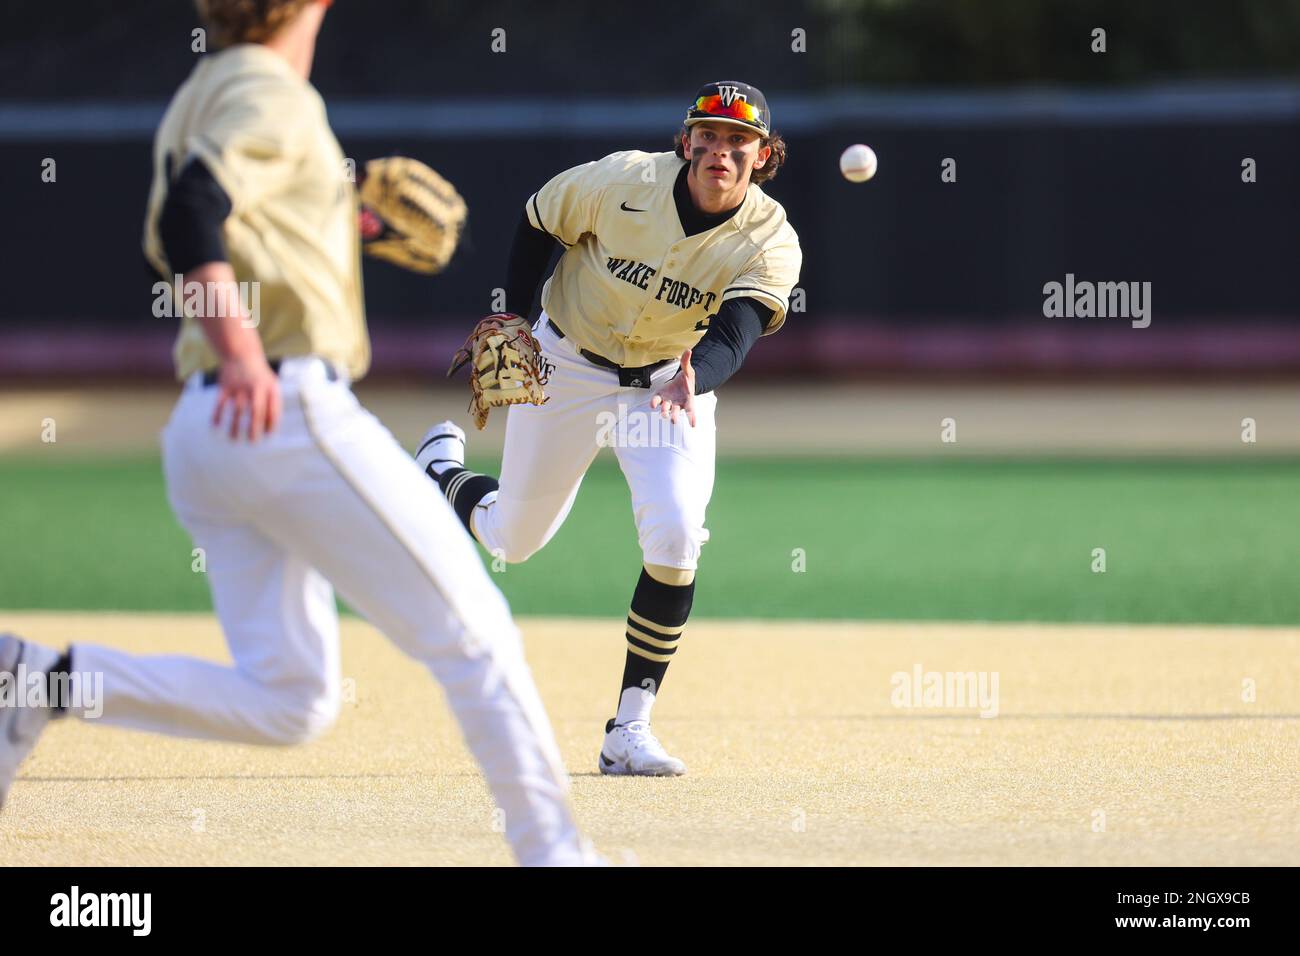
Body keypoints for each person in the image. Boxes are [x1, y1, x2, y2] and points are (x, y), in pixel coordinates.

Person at [0, 0, 592, 867]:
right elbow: (190, 219)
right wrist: (243, 351)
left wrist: (327, 221)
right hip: (282, 405)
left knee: (292, 699)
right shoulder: (273, 91)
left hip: (206, 433)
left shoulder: (200, 90)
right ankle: (556, 856)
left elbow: (173, 246)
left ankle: (39, 681)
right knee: (477, 637)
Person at [416, 81, 803, 776]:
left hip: (668, 383)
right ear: (685, 144)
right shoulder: (622, 180)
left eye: (738, 141)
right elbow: (539, 219)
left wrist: (697, 378)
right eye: (707, 136)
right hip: (566, 359)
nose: (720, 149)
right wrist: (513, 314)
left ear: (764, 155)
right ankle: (439, 472)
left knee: (678, 532)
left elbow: (738, 330)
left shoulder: (769, 238)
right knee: (514, 538)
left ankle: (629, 728)